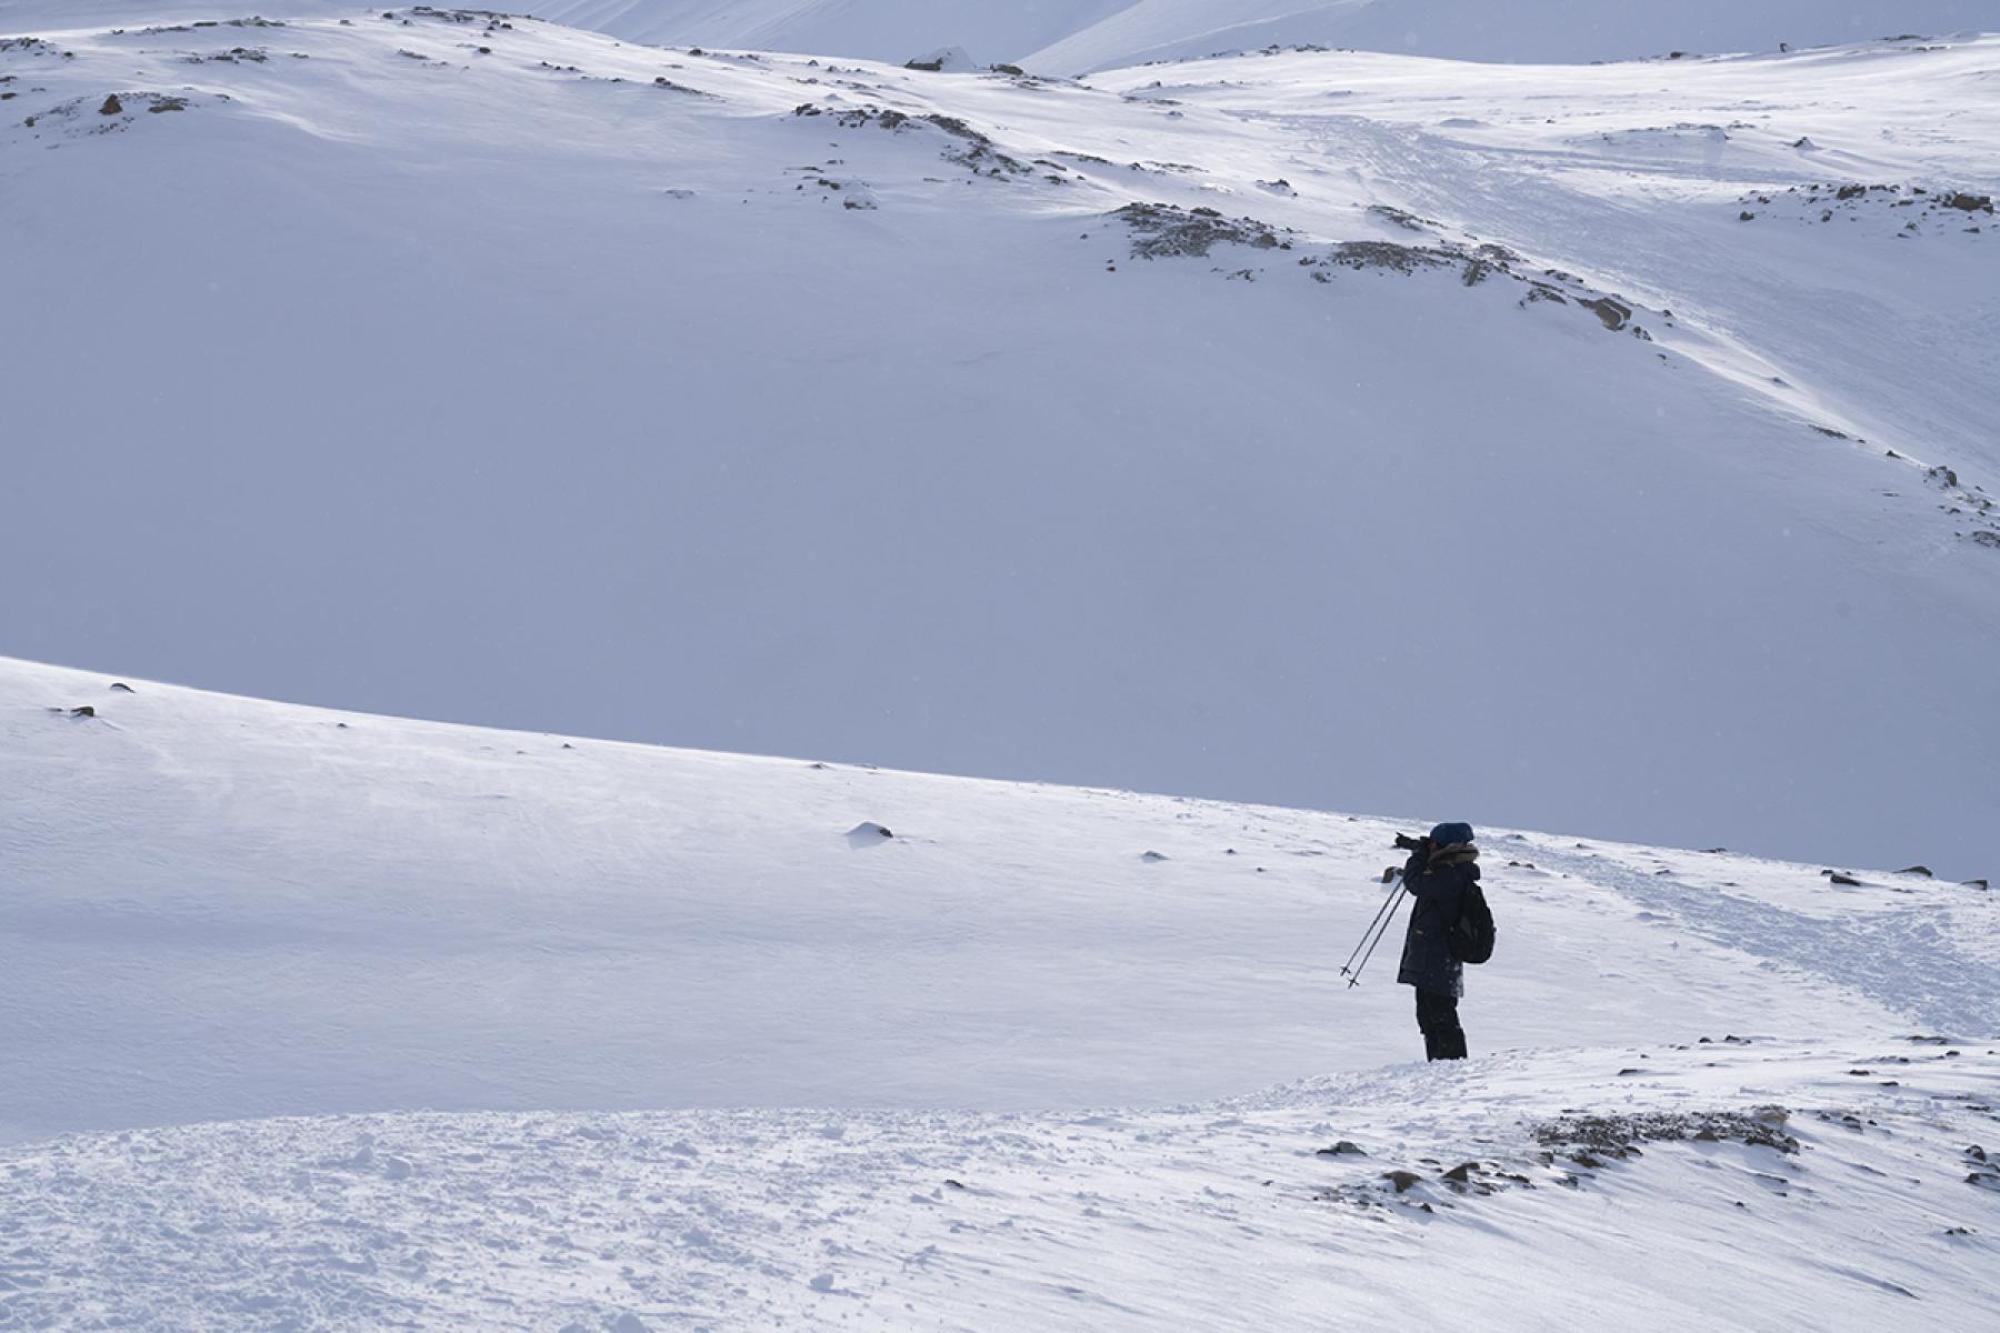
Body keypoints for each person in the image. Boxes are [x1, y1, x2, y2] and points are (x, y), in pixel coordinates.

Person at [1396, 821, 1478, 1061]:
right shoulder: (1453, 869)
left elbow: (1416, 884)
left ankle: (1450, 1065)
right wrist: (1418, 850)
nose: (1429, 847)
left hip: (1437, 957)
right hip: (1437, 958)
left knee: (1439, 1016)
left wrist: (1417, 857)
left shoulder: (1451, 874)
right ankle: (1441, 1064)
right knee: (1431, 1015)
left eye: (1434, 844)